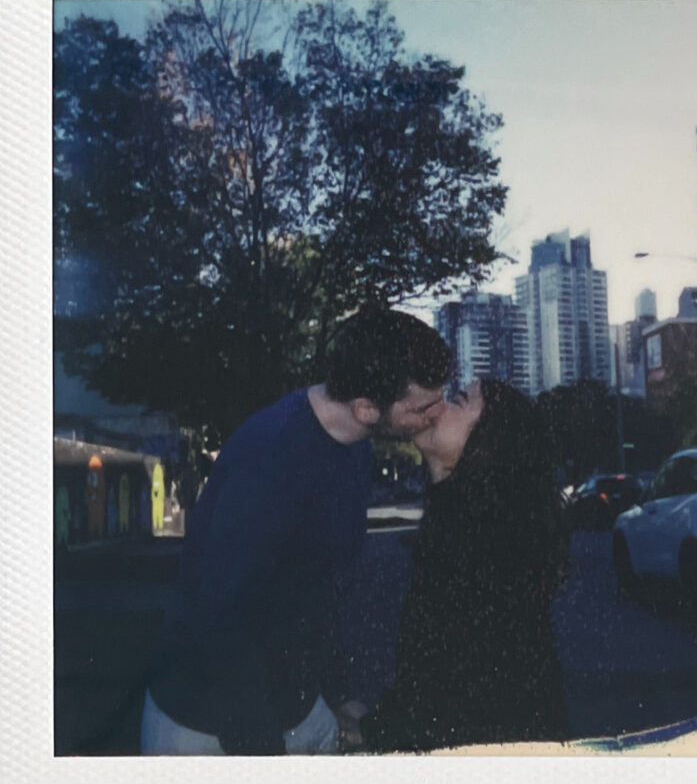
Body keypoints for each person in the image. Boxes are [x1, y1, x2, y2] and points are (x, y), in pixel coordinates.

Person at [140, 307, 452, 755]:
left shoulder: (353, 448)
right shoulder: (271, 460)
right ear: (365, 408)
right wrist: (265, 752)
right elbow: (223, 623)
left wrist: (341, 695)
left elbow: (321, 591)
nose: (438, 413)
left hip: (299, 709)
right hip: (209, 729)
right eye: (424, 406)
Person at [358, 378, 569, 753]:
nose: (435, 405)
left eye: (457, 400)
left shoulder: (483, 552)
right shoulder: (459, 526)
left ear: (489, 443)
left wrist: (366, 732)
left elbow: (455, 707)